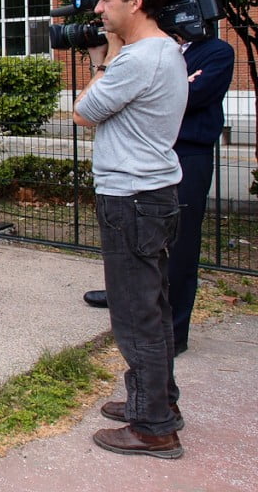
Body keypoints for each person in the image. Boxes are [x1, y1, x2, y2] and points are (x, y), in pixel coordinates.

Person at [73, 0, 188, 459]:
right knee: (153, 306)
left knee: (135, 313)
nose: (98, 9)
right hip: (151, 196)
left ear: (135, 2)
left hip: (132, 198)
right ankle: (158, 401)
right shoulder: (165, 50)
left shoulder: (138, 59)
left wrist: (104, 58)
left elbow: (82, 112)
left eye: (106, 0)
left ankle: (153, 426)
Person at [82, 33, 234, 356]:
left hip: (189, 154)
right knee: (138, 237)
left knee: (180, 246)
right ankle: (129, 298)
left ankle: (174, 332)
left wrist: (152, 87)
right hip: (149, 154)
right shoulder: (153, 51)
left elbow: (186, 96)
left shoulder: (218, 52)